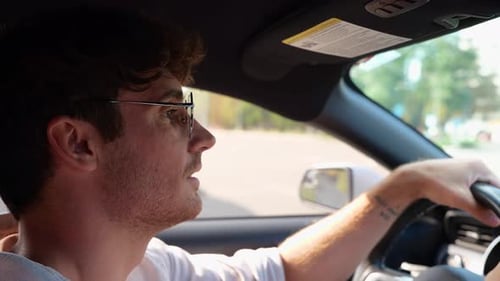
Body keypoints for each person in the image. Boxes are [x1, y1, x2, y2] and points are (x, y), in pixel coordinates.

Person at [0, 6, 498, 281]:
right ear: (78, 143)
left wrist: (406, 185)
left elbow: (277, 271)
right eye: (174, 114)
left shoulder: (144, 268)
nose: (206, 138)